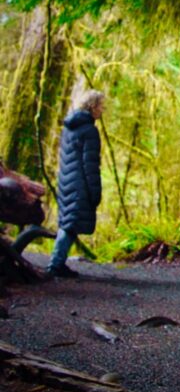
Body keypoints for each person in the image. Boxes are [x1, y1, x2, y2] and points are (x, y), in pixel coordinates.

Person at [48, 89, 105, 278]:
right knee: (70, 225)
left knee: (69, 223)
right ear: (93, 106)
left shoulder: (69, 127)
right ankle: (54, 266)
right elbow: (90, 166)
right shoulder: (90, 131)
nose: (103, 110)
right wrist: (95, 193)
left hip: (66, 183)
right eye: (101, 106)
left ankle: (58, 263)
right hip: (79, 185)